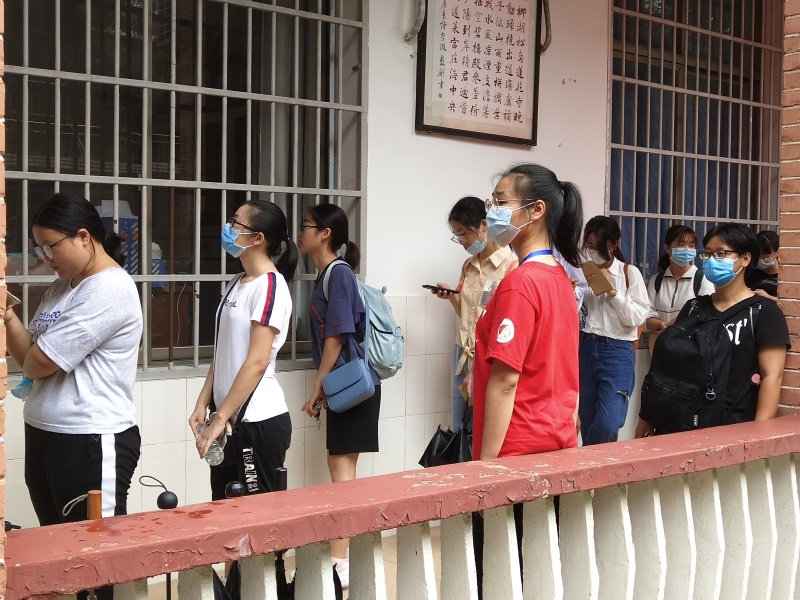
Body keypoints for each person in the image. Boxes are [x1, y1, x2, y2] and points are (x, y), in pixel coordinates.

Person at [4, 194, 143, 600]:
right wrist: (8, 314)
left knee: (94, 561)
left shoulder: (110, 288)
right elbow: (26, 355)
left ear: (83, 236)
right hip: (47, 432)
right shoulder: (63, 287)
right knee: (60, 553)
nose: (46, 257)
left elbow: (39, 363)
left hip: (91, 439)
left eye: (51, 246)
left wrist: (32, 355)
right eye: (40, 249)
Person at [471, 163, 584, 594]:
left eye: (501, 203)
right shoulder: (559, 279)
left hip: (516, 451)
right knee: (537, 573)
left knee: (501, 577)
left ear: (536, 210)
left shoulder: (522, 283)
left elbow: (505, 381)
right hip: (555, 445)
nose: (492, 212)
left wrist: (486, 466)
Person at [636, 224, 788, 437]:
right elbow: (668, 368)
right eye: (707, 254)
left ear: (745, 258)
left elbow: (772, 377)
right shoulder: (693, 308)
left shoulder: (764, 313)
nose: (711, 260)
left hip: (731, 430)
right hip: (680, 426)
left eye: (721, 253)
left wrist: (758, 437)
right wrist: (646, 419)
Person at [190, 200, 296, 501]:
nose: (228, 228)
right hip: (228, 421)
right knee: (223, 509)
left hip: (258, 423)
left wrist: (219, 418)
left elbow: (257, 362)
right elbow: (223, 353)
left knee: (257, 516)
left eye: (235, 223)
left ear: (258, 238)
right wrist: (203, 404)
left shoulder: (270, 286)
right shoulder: (236, 282)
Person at [299, 203, 380, 588]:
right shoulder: (327, 275)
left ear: (325, 234)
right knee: (340, 472)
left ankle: (340, 561)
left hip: (352, 388)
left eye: (306, 226)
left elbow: (336, 335)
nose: (301, 232)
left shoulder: (339, 273)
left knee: (343, 476)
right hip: (343, 387)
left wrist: (319, 384)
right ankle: (341, 557)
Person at [429, 196, 517, 430]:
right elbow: (466, 313)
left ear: (483, 225)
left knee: (485, 427)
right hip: (462, 350)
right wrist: (451, 296)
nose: (461, 241)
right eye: (457, 236)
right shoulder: (468, 265)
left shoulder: (510, 265)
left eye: (463, 234)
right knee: (460, 427)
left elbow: (504, 323)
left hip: (489, 354)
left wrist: (479, 367)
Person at [579, 216, 649, 445]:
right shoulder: (582, 272)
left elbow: (637, 317)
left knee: (608, 422)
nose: (593, 252)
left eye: (599, 247)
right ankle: (592, 463)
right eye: (589, 246)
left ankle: (594, 461)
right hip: (586, 346)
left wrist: (612, 292)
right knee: (586, 419)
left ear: (614, 245)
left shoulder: (629, 273)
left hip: (617, 351)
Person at [645, 224, 714, 350]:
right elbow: (647, 315)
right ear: (667, 248)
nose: (687, 250)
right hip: (660, 345)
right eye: (681, 245)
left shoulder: (702, 279)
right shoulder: (656, 280)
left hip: (691, 346)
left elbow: (706, 315)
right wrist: (662, 325)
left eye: (691, 246)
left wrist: (675, 326)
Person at [746, 230, 780, 301]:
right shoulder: (750, 272)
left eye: (765, 257)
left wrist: (769, 297)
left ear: (776, 253)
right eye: (758, 256)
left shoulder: (786, 276)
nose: (761, 259)